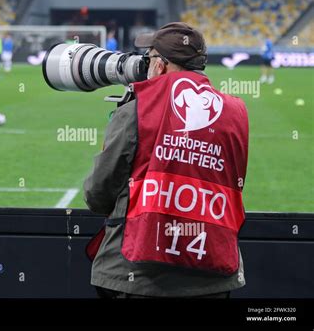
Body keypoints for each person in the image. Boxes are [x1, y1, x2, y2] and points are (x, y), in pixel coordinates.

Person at [84, 22, 249, 298]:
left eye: (148, 59)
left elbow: (97, 194)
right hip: (214, 275)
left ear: (160, 66)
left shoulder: (138, 108)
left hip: (137, 276)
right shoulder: (235, 112)